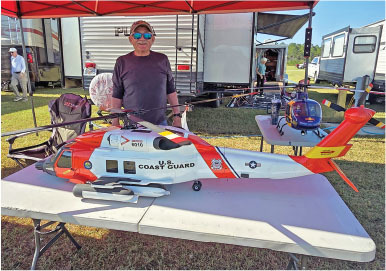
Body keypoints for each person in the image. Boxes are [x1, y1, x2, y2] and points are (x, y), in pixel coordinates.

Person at [112, 20, 181, 127]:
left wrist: (177, 116)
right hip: (131, 125)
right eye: (137, 35)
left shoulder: (162, 59)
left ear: (153, 39)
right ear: (131, 39)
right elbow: (117, 94)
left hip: (160, 123)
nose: (142, 39)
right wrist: (114, 121)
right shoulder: (122, 62)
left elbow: (171, 90)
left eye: (147, 35)